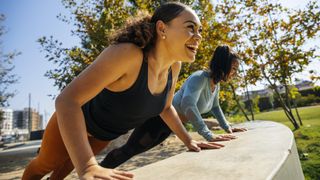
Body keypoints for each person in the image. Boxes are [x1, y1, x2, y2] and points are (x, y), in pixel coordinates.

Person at [22, 2, 224, 180]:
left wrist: (190, 141)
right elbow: (67, 101)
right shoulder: (128, 54)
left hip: (103, 135)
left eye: (200, 31)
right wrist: (88, 165)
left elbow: (166, 107)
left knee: (60, 175)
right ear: (162, 28)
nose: (198, 36)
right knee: (43, 166)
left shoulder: (174, 66)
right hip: (73, 123)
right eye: (191, 28)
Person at [100, 45, 247, 168]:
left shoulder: (215, 84)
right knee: (129, 150)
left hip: (172, 125)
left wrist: (228, 127)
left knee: (133, 150)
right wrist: (208, 135)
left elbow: (215, 107)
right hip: (158, 120)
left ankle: (99, 172)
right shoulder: (200, 78)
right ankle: (96, 172)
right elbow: (188, 105)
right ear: (223, 65)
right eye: (233, 68)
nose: (234, 73)